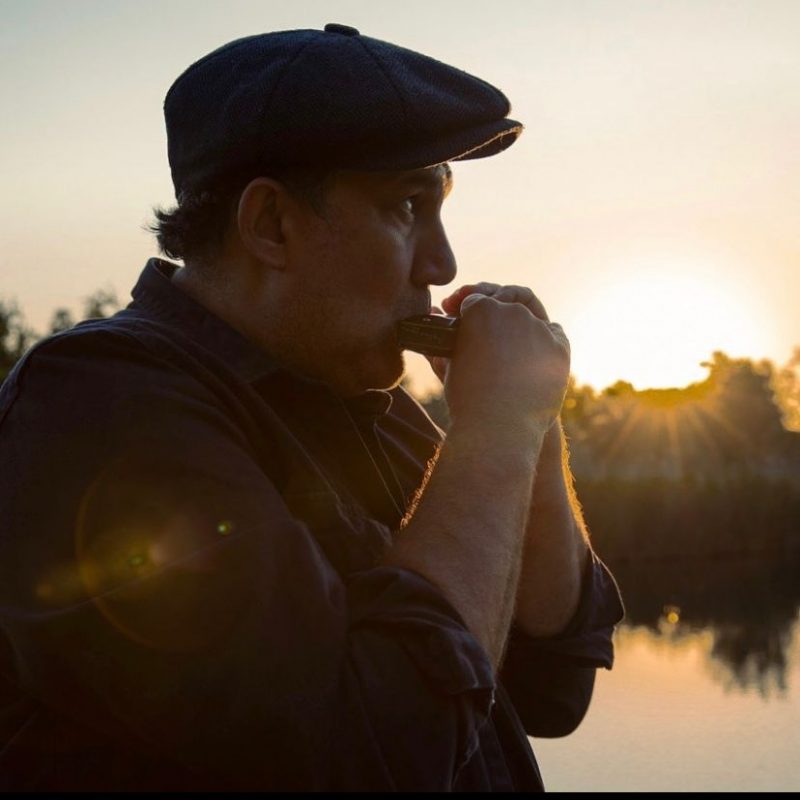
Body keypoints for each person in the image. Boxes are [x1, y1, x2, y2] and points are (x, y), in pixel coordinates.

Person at [0, 24, 623, 791]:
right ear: (271, 224)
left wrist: (531, 428)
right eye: (407, 207)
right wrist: (494, 431)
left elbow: (553, 684)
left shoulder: (376, 410)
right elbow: (382, 748)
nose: (443, 263)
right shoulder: (98, 406)